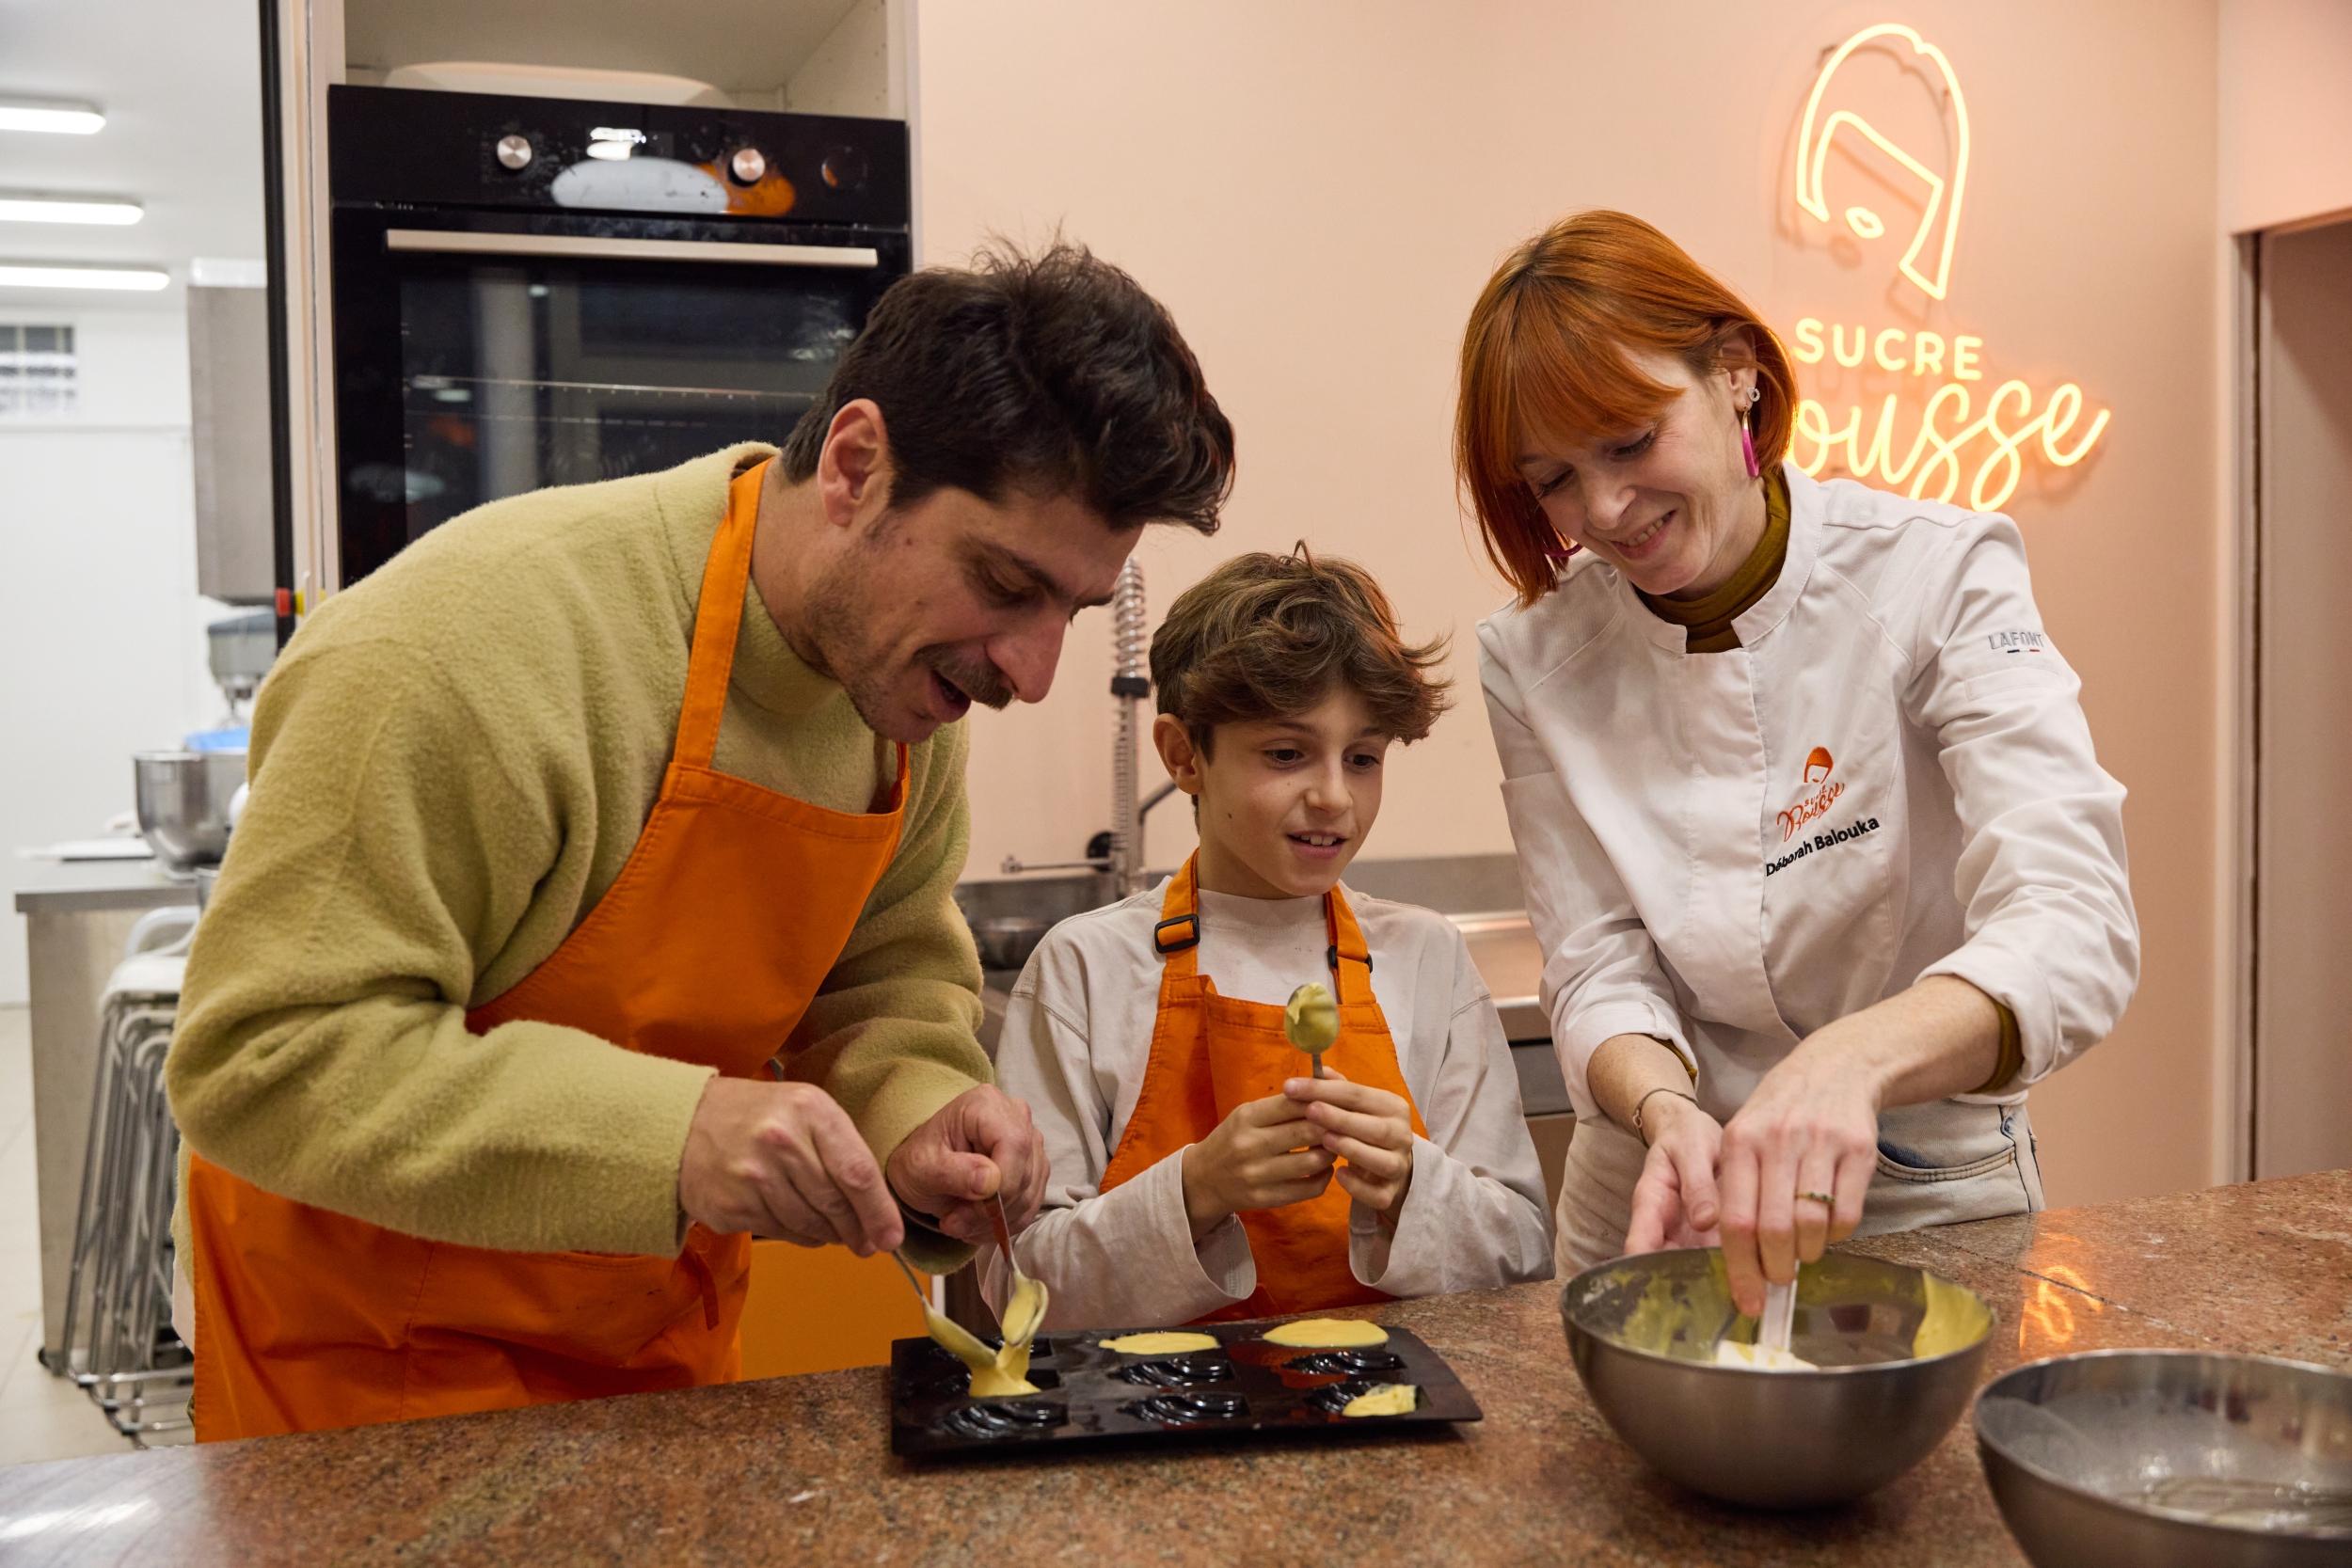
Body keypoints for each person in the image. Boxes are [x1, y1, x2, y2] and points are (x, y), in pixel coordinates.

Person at [165, 242, 1236, 1438]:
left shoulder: (902, 698)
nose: (1030, 674)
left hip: (655, 1353)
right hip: (370, 1379)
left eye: (1073, 613)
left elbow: (881, 976)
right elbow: (262, 1056)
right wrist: (674, 1134)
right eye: (1004, 582)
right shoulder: (465, 654)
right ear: (855, 466)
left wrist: (918, 1106)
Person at [1455, 211, 2137, 1316]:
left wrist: (1852, 1061)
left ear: (1734, 373)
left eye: (1629, 442)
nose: (1604, 511)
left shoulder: (1935, 573)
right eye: (1552, 482)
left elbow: (2071, 916)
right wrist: (1669, 1110)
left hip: (1914, 1173)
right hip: (1654, 1182)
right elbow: (1594, 958)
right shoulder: (1533, 659)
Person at [982, 549, 1551, 1327]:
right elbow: (1019, 1289)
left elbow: (1524, 1252)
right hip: (1157, 1428)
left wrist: (1415, 1187)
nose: (1332, 796)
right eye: (1286, 754)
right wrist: (1196, 1191)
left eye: (1363, 758)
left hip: (1390, 1421)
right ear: (1185, 756)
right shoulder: (1085, 969)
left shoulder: (1426, 958)